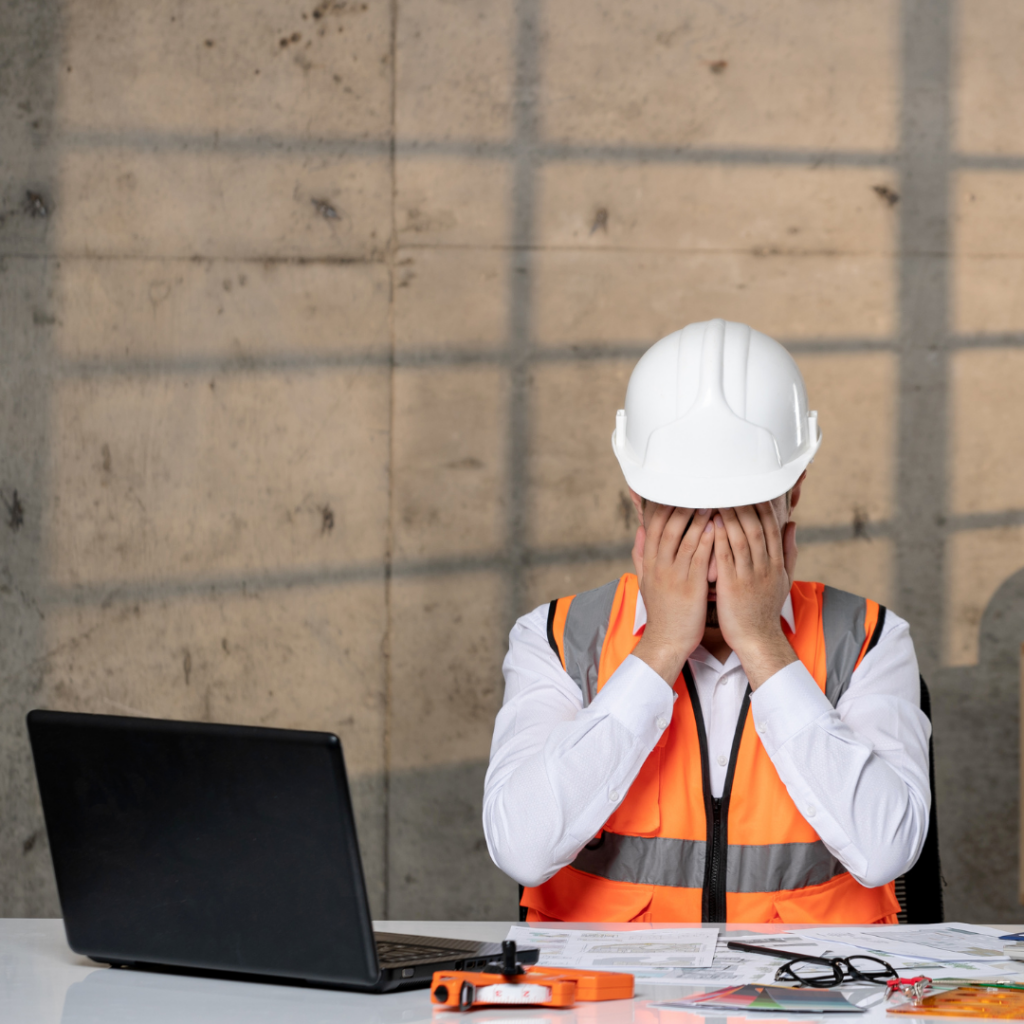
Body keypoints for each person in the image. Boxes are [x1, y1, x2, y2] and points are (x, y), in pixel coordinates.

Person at [483, 318, 931, 923]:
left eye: (742, 510)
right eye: (685, 512)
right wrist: (663, 645)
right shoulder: (557, 638)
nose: (714, 541)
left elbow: (886, 853)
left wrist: (764, 645)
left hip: (808, 1004)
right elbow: (521, 848)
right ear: (638, 495)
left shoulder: (871, 640)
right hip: (610, 1007)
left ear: (793, 490)